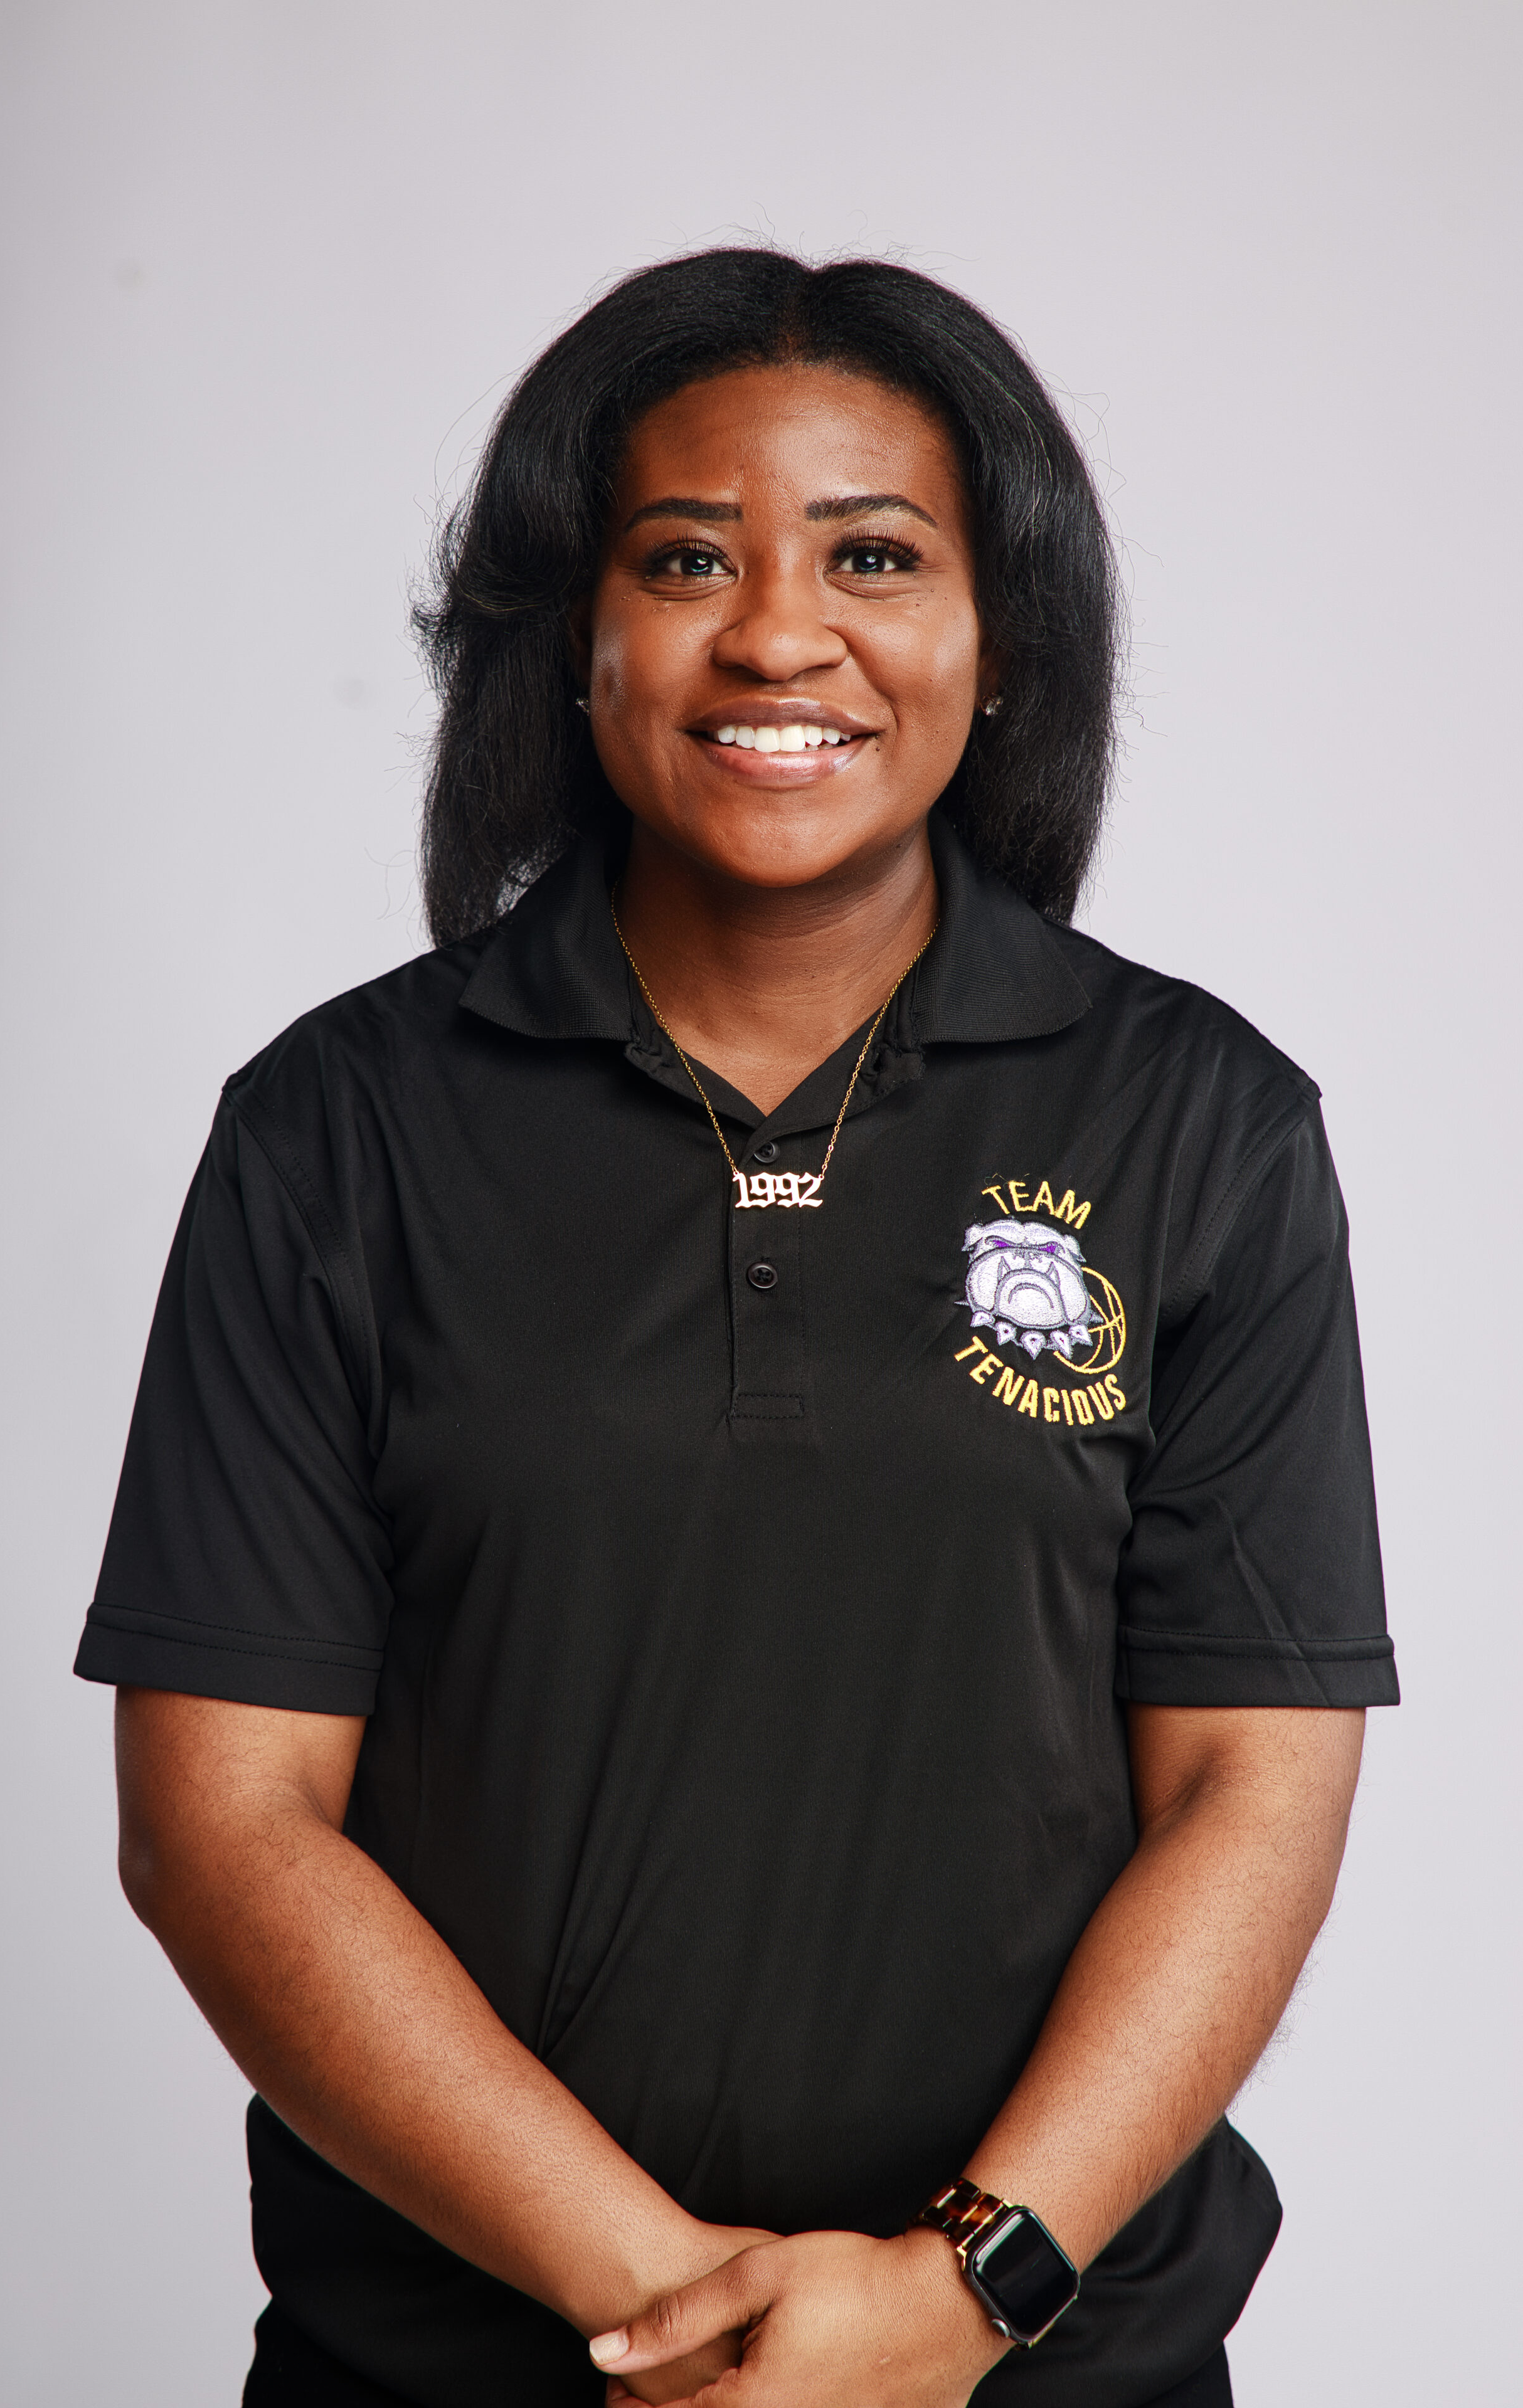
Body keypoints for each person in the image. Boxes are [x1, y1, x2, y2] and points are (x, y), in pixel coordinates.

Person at [75, 248, 1398, 2408]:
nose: (782, 633)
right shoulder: (336, 1132)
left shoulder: (1202, 1126)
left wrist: (959, 2297)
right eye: (686, 557)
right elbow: (222, 1825)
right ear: (568, 639)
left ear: (999, 639)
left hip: (1046, 2367)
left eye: (876, 555)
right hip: (456, 2368)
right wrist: (679, 2319)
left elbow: (1253, 1783)